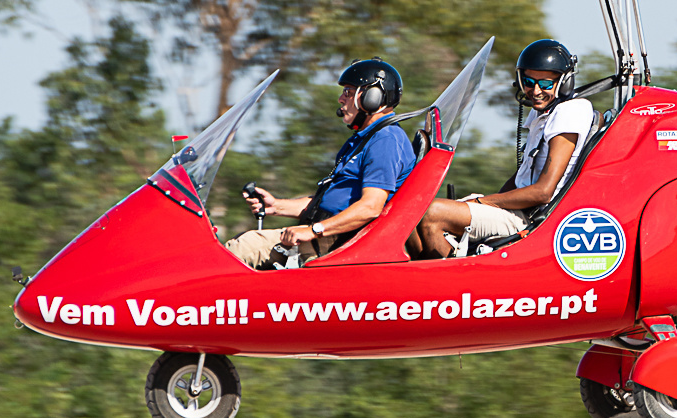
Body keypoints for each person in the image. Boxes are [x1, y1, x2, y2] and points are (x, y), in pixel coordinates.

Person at [225, 58, 417, 269]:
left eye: (348, 92)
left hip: (336, 243)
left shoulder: (386, 140)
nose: (341, 99)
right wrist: (276, 206)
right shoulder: (362, 139)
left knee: (239, 249)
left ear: (372, 97)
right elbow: (328, 203)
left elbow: (370, 207)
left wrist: (313, 230)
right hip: (325, 236)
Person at [414, 39, 595, 259]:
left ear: (565, 82)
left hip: (530, 217)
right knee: (411, 213)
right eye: (528, 82)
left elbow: (543, 191)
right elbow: (522, 177)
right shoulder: (544, 112)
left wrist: (484, 202)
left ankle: (449, 285)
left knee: (431, 213)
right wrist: (491, 202)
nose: (535, 90)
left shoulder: (570, 111)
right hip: (517, 210)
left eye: (546, 84)